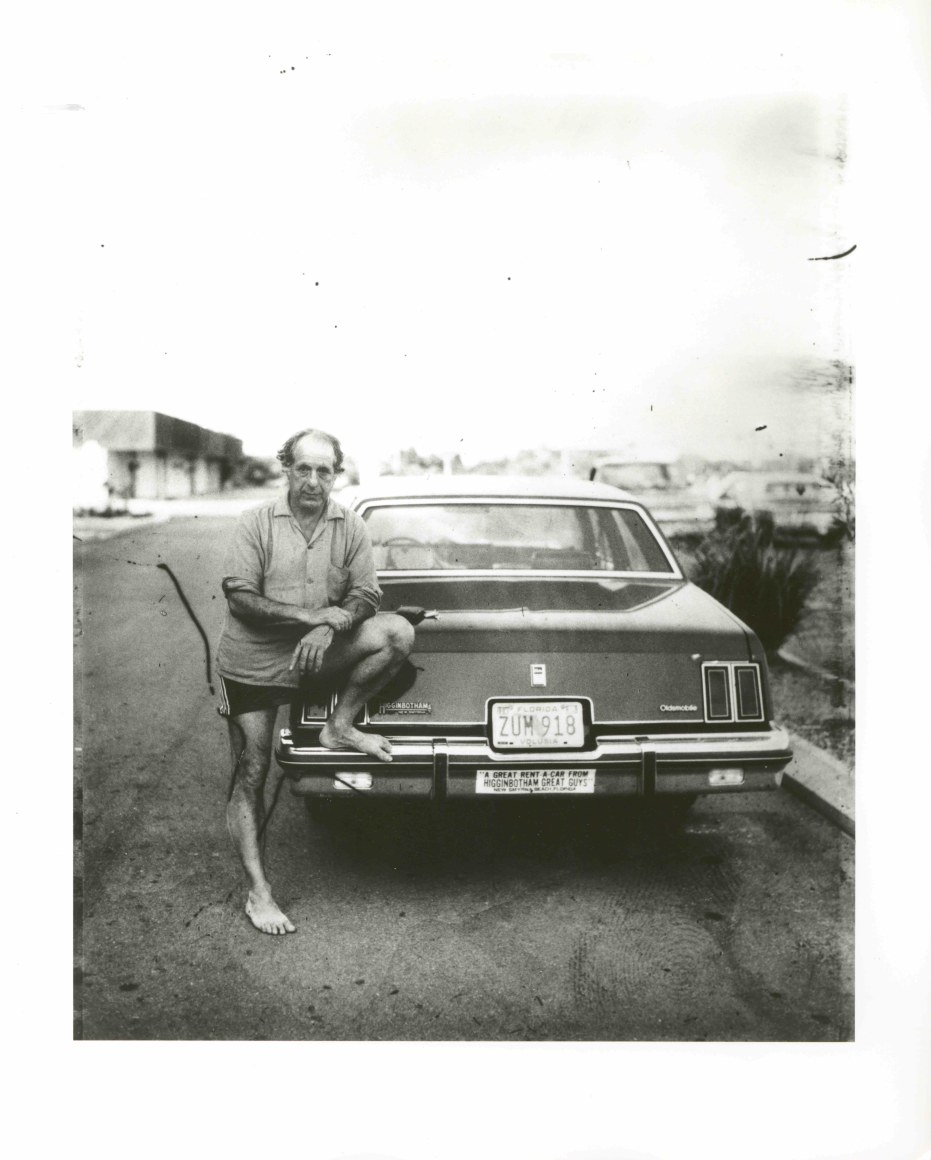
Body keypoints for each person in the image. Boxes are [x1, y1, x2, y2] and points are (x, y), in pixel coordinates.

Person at [216, 428, 415, 935]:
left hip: (316, 651)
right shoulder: (255, 522)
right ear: (286, 468)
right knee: (252, 771)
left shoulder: (349, 526)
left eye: (323, 470)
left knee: (396, 631)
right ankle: (258, 893)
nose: (312, 480)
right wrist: (310, 618)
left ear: (335, 474)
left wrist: (329, 624)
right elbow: (240, 596)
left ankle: (339, 726)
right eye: (302, 468)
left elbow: (367, 594)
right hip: (254, 663)